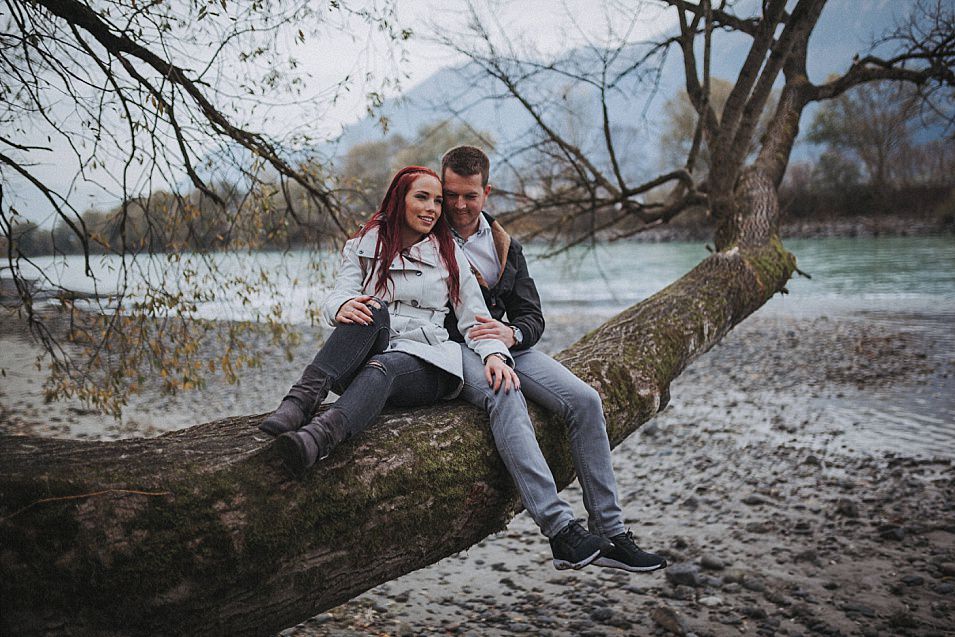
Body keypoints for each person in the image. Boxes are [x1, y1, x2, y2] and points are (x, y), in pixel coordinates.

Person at [441, 146, 667, 573]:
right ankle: (561, 531)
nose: (458, 205)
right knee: (502, 389)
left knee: (585, 400)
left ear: (486, 192)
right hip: (453, 350)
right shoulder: (427, 238)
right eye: (450, 194)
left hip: (507, 345)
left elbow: (532, 316)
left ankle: (611, 532)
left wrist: (513, 333)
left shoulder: (506, 245)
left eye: (468, 195)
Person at [259, 166, 519, 479]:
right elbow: (339, 294)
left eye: (437, 201)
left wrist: (493, 354)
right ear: (399, 199)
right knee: (370, 308)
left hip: (427, 361)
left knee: (384, 366)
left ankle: (318, 438)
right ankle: (300, 401)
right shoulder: (363, 246)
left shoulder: (449, 254)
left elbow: (475, 318)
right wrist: (341, 305)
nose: (431, 209)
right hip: (369, 353)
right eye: (421, 197)